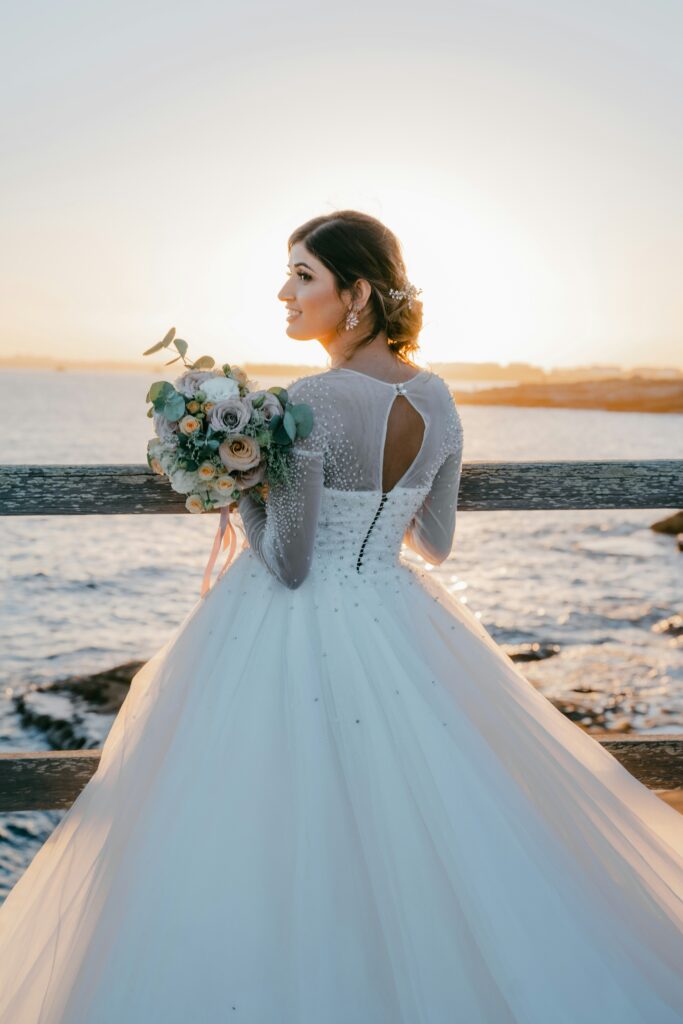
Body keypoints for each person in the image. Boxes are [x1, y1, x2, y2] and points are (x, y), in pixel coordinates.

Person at [0, 210, 682, 1023]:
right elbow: (434, 542)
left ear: (355, 293)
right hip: (395, 612)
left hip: (290, 624)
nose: (283, 293)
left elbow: (286, 564)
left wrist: (233, 485)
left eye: (302, 275)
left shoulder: (305, 402)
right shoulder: (437, 397)